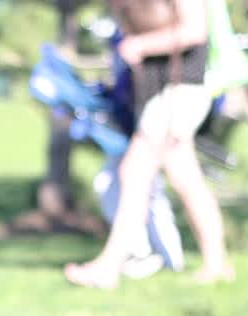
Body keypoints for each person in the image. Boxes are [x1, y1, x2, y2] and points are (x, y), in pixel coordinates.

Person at [64, 0, 231, 290]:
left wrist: (140, 45)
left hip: (179, 91)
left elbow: (195, 30)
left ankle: (109, 266)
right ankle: (217, 264)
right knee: (186, 180)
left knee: (134, 172)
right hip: (161, 93)